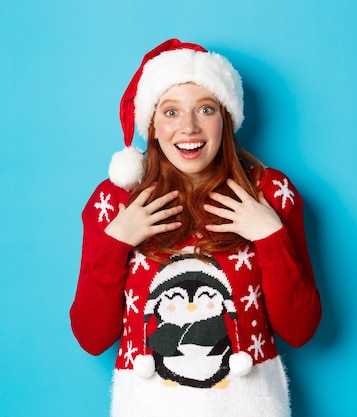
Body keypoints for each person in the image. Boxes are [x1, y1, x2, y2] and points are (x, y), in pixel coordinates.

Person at [70, 38, 321, 417]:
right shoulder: (116, 201)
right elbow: (92, 338)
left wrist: (271, 237)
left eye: (205, 109)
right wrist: (116, 242)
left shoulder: (270, 192)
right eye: (171, 112)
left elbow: (301, 331)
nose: (188, 127)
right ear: (152, 126)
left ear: (226, 119)